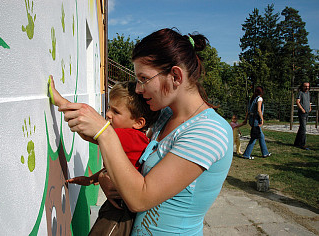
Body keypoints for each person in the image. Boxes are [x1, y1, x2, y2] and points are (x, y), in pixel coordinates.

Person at [58, 28, 233, 235]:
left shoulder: (208, 131)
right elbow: (133, 158)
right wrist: (105, 177)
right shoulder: (165, 116)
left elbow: (140, 198)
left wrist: (104, 132)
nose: (139, 89)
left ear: (175, 76)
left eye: (144, 78)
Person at [49, 78, 160, 235]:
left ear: (138, 122)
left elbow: (89, 133)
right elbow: (113, 169)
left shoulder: (129, 136)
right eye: (109, 107)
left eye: (116, 111)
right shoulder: (133, 138)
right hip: (119, 208)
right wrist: (91, 180)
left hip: (120, 214)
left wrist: (61, 102)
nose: (108, 114)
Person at [242, 86, 271, 159]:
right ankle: (246, 154)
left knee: (261, 136)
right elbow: (259, 110)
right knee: (254, 137)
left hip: (251, 119)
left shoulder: (252, 99)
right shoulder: (259, 99)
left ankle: (265, 153)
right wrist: (262, 119)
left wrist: (246, 120)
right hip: (255, 119)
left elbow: (248, 111)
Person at [294, 82, 311, 150]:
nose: (307, 88)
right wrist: (302, 109)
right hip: (302, 113)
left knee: (301, 128)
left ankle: (296, 143)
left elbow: (309, 101)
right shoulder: (300, 93)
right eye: (305, 86)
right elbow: (297, 102)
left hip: (307, 112)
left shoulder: (308, 93)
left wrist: (310, 107)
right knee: (303, 129)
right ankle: (302, 144)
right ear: (303, 87)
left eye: (308, 86)